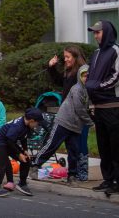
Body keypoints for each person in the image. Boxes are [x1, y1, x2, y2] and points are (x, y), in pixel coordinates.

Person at [84, 20, 119, 195]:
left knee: (117, 145)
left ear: (108, 32)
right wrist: (92, 99)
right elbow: (91, 77)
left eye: (98, 32)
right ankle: (108, 179)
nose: (95, 36)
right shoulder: (96, 53)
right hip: (100, 106)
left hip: (115, 105)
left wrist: (98, 87)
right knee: (104, 146)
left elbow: (118, 76)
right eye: (94, 33)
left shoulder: (117, 51)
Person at [32, 65, 93, 183]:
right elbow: (79, 108)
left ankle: (72, 175)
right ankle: (35, 165)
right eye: (84, 76)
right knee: (52, 145)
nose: (86, 78)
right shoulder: (77, 89)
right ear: (80, 77)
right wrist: (90, 122)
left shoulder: (88, 91)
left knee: (73, 151)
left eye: (89, 76)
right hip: (64, 122)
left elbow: (86, 107)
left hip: (76, 126)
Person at [47, 45, 89, 180]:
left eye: (67, 57)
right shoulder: (69, 71)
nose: (65, 59)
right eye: (64, 57)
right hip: (68, 113)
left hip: (79, 113)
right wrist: (51, 67)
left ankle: (82, 172)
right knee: (72, 144)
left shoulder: (82, 71)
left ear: (76, 57)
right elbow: (60, 82)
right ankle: (74, 172)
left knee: (81, 141)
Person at [0, 107, 44, 197]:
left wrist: (25, 150)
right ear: (31, 120)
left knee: (26, 160)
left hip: (10, 141)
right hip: (0, 141)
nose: (37, 125)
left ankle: (22, 184)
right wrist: (19, 154)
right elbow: (9, 140)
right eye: (37, 123)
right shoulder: (18, 126)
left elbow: (24, 137)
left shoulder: (27, 125)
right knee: (2, 164)